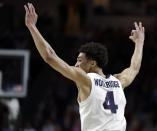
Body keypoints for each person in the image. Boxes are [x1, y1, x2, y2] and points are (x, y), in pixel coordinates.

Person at [24, 3, 145, 131]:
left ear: (93, 63)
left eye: (80, 60)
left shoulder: (86, 79)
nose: (76, 64)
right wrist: (139, 43)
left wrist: (32, 27)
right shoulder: (118, 82)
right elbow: (134, 68)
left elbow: (50, 57)